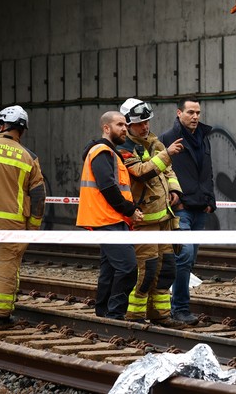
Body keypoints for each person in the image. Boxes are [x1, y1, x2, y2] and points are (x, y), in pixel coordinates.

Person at [118, 98, 186, 327]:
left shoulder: (154, 143)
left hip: (164, 219)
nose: (145, 127)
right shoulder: (124, 148)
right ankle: (135, 318)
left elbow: (168, 172)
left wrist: (175, 189)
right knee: (145, 272)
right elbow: (141, 172)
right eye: (139, 124)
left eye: (146, 122)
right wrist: (167, 154)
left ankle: (160, 315)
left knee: (166, 269)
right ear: (127, 124)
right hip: (144, 221)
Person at [0, 106, 45, 327]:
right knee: (6, 269)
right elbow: (38, 197)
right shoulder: (29, 157)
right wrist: (33, 229)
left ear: (1, 126)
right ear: (22, 130)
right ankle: (0, 317)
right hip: (12, 224)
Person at [77, 111, 144, 320]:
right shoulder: (102, 151)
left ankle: (104, 312)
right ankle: (115, 314)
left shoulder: (110, 153)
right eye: (119, 125)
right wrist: (130, 210)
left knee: (109, 271)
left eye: (125, 125)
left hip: (111, 219)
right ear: (106, 128)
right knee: (128, 268)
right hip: (107, 219)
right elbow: (107, 186)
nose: (125, 128)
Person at [159, 97, 215, 325]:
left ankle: (178, 305)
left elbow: (207, 171)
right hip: (181, 209)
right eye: (190, 112)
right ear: (178, 113)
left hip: (200, 207)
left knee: (189, 261)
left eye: (198, 113)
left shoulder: (203, 137)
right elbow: (161, 172)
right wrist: (176, 200)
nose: (195, 117)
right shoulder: (167, 139)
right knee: (184, 256)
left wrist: (210, 200)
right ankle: (179, 308)